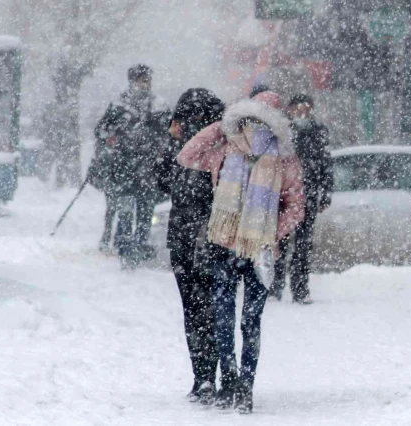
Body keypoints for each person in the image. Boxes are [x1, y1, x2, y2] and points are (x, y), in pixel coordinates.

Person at [177, 91, 305, 413]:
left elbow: (296, 207)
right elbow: (187, 154)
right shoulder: (231, 147)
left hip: (247, 250)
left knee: (235, 319)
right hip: (238, 249)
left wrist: (266, 232)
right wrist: (221, 127)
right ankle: (238, 384)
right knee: (241, 321)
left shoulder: (275, 157)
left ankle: (237, 384)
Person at [156, 88, 225, 404]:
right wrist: (170, 140)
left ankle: (205, 376)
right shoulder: (212, 147)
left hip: (199, 238)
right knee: (208, 310)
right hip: (202, 239)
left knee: (199, 311)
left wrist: (172, 141)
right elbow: (160, 182)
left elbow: (160, 182)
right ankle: (210, 376)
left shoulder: (214, 149)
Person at [92, 64, 171, 266]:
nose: (144, 84)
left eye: (147, 80)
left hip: (148, 169)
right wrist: (111, 138)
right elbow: (101, 130)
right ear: (132, 81)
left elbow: (168, 135)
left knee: (145, 213)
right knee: (125, 211)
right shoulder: (119, 105)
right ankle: (126, 248)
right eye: (140, 80)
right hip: (123, 167)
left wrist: (160, 148)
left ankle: (138, 247)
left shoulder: (158, 105)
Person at [271, 94, 333, 304]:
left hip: (308, 195)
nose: (303, 113)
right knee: (280, 241)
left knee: (303, 245)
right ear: (290, 109)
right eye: (299, 108)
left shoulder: (318, 132)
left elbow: (325, 163)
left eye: (307, 109)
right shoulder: (282, 131)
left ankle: (300, 288)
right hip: (285, 197)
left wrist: (325, 193)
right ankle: (275, 286)